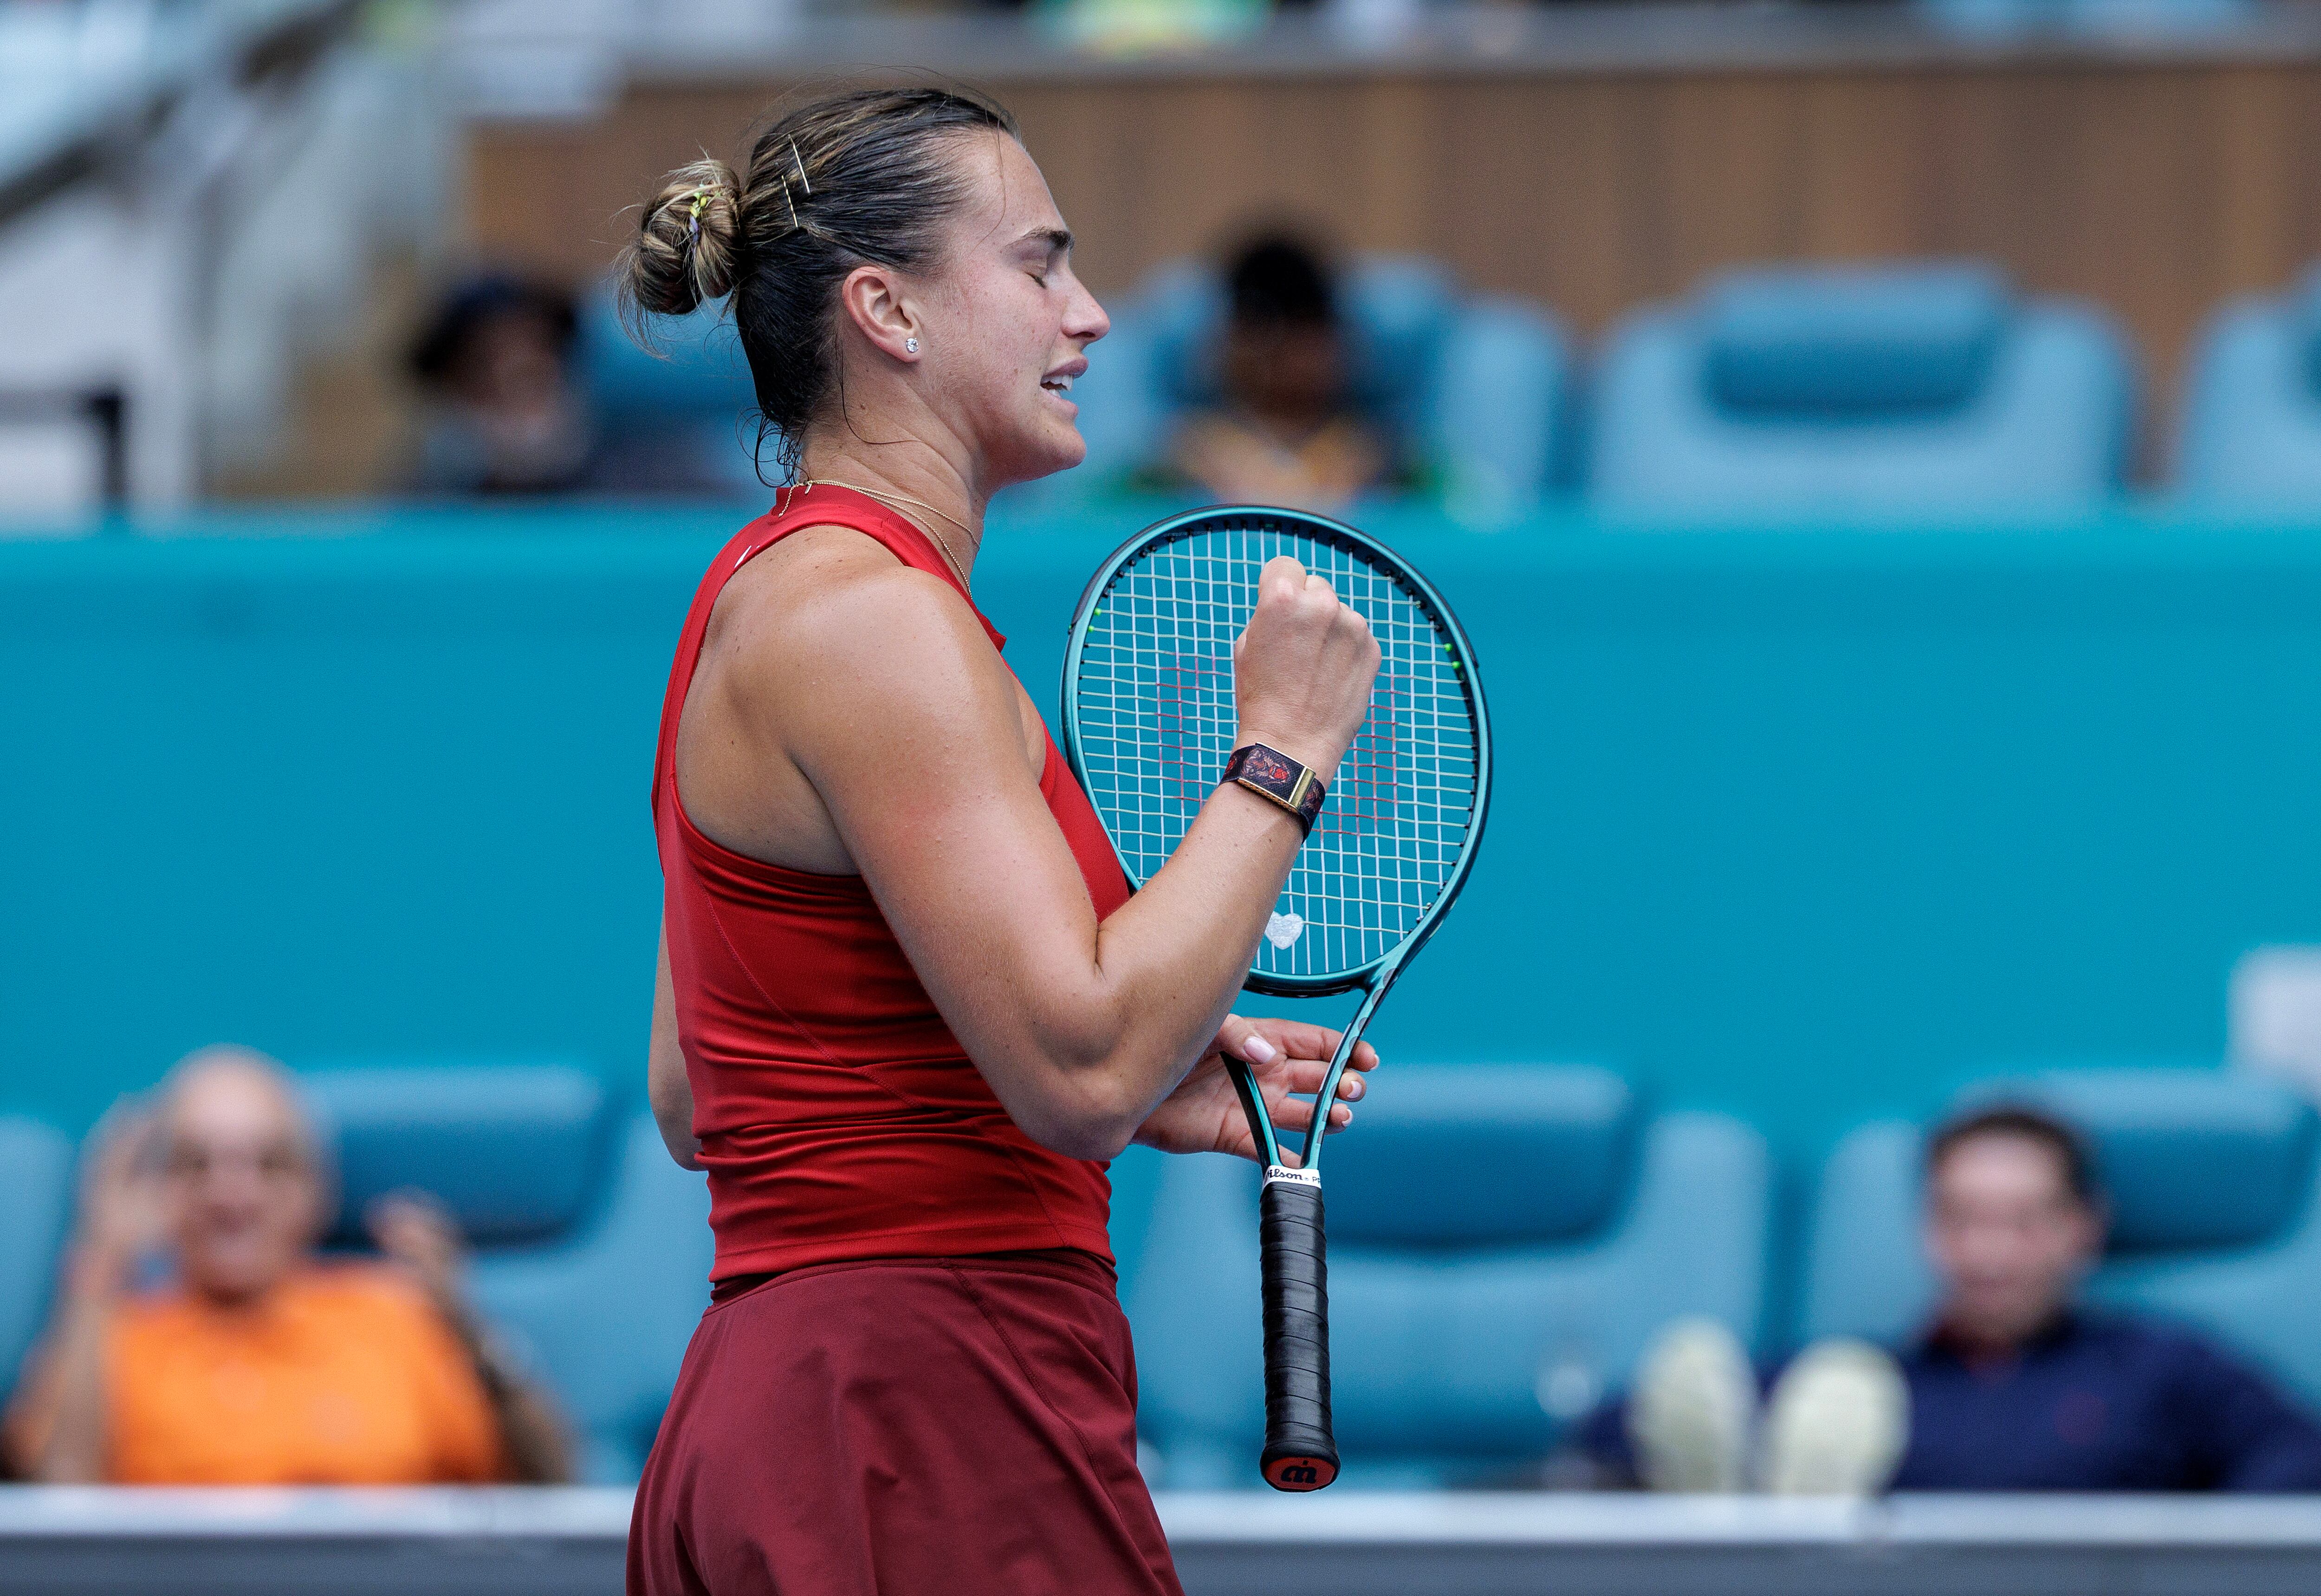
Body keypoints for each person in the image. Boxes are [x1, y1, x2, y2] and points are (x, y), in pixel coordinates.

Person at [620, 86, 1382, 1595]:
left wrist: (1148, 1057)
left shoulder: (770, 595)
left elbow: (703, 1090)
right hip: (925, 1413)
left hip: (798, 1419)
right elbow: (1080, 1065)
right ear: (886, 308)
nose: (1089, 314)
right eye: (1040, 264)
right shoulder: (881, 626)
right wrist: (1280, 756)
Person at [1593, 1104, 2321, 1493]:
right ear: (1928, 1231)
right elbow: (1649, 1420)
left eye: (2022, 1221)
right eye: (1962, 1218)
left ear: (2081, 1230)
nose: (1989, 1253)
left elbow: (2296, 1458)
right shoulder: (1856, 1380)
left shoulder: (2163, 1367)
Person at [2, 1046, 572, 1485]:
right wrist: (101, 1263)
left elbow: (553, 1488)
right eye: (197, 1166)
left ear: (316, 1193)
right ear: (160, 1193)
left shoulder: (394, 1318)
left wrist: (469, 1330)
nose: (232, 1198)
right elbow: (59, 1521)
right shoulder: (110, 1338)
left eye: (268, 1166)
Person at [1163, 234, 1397, 512]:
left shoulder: (1378, 457)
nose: (1291, 357)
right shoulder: (1182, 456)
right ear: (1230, 342)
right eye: (1264, 334)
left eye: (1309, 334)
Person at [409, 275, 598, 495]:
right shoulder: (418, 511)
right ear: (453, 388)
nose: (513, 381)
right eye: (482, 364)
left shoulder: (631, 488)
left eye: (531, 357)